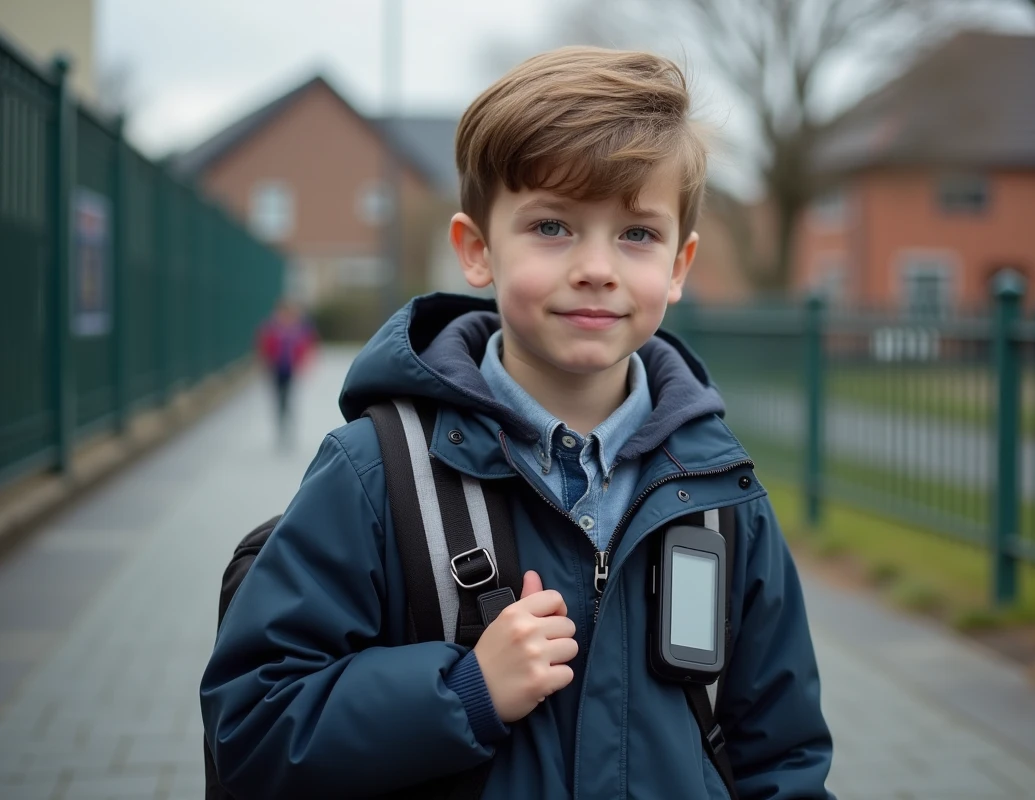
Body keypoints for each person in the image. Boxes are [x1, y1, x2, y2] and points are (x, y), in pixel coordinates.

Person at [201, 46, 834, 799]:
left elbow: (784, 757)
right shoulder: (377, 473)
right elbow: (253, 726)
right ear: (476, 250)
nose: (597, 266)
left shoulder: (723, 496)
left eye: (637, 234)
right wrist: (464, 691)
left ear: (679, 264)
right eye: (553, 227)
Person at [255, 300, 316, 446]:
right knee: (278, 398)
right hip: (276, 369)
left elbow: (306, 346)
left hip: (290, 370)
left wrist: (304, 365)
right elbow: (263, 347)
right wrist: (264, 364)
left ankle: (288, 426)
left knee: (287, 398)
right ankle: (281, 425)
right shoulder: (271, 328)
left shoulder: (298, 329)